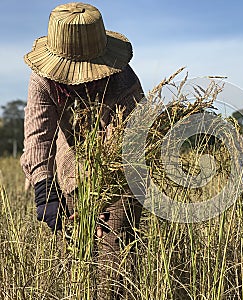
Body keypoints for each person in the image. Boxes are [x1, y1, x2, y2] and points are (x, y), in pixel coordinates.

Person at [21, 2, 144, 296]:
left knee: (115, 259)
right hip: (70, 161)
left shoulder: (123, 79)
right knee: (76, 254)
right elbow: (38, 135)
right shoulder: (42, 80)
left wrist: (104, 192)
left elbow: (132, 144)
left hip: (121, 169)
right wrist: (45, 191)